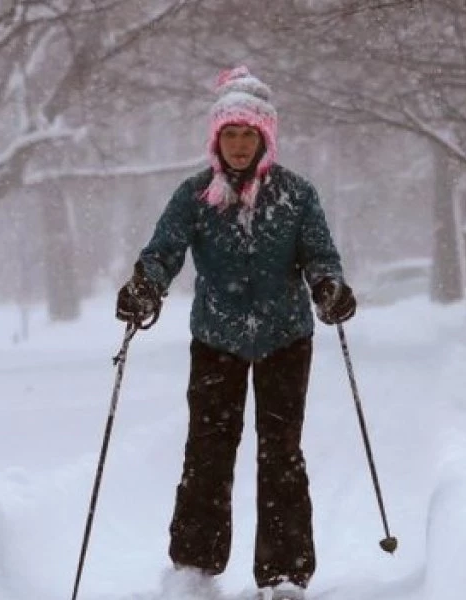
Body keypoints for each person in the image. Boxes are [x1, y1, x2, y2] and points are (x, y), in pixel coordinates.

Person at [114, 66, 357, 600]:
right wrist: (144, 288)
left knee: (281, 452)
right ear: (216, 138)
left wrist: (328, 287)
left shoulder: (296, 194)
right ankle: (195, 566)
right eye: (231, 134)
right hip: (217, 338)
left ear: (265, 138)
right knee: (207, 450)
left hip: (285, 339)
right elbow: (163, 253)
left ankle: (286, 572)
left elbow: (320, 255)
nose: (240, 145)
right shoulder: (194, 195)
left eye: (250, 135)